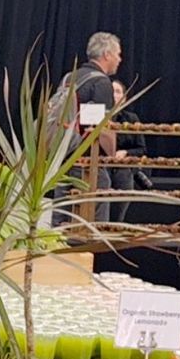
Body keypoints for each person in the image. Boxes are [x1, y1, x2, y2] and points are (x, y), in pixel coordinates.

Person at [60, 32, 122, 223]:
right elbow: (100, 128)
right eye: (118, 54)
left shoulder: (69, 79)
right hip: (88, 159)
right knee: (95, 209)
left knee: (62, 210)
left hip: (62, 155)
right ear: (107, 55)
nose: (120, 59)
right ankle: (91, 250)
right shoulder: (101, 83)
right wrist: (111, 154)